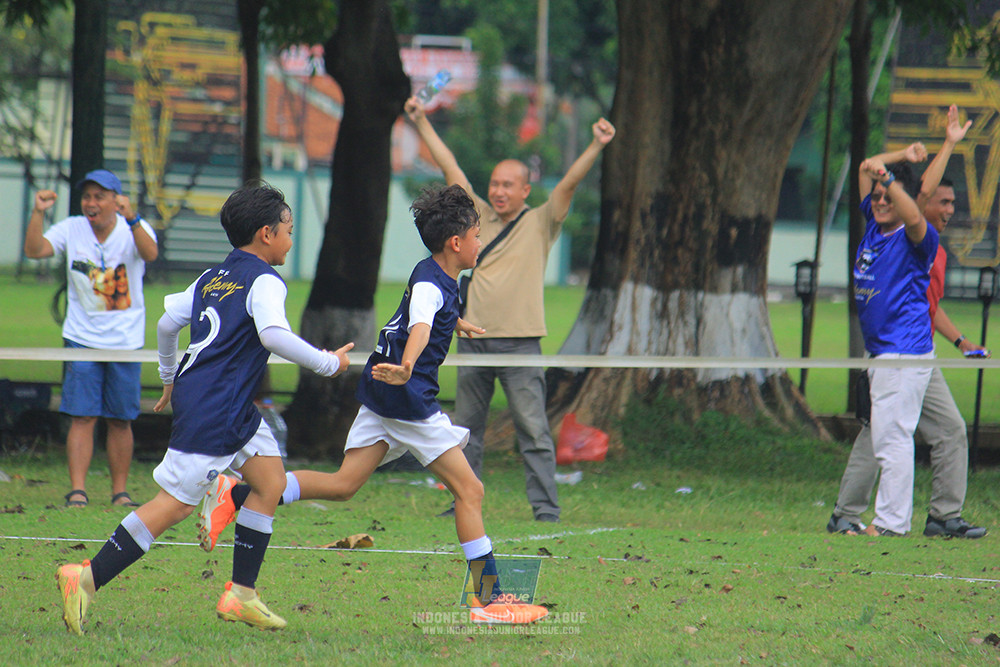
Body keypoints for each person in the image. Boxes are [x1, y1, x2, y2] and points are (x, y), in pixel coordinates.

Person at [196, 185, 549, 625]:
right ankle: (488, 601)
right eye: (478, 235)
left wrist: (453, 322)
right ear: (457, 243)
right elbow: (419, 324)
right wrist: (408, 365)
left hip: (382, 396)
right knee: (470, 490)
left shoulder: (434, 274)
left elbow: (424, 314)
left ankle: (238, 493)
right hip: (406, 399)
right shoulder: (431, 286)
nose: (481, 242)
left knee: (344, 485)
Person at [54, 182, 353, 635]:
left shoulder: (215, 275)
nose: (292, 238)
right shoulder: (267, 281)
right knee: (171, 506)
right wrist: (330, 363)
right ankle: (86, 577)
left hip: (222, 402)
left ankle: (241, 595)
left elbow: (167, 321)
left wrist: (170, 376)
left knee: (269, 481)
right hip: (217, 407)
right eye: (289, 229)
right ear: (267, 234)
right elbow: (272, 336)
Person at [404, 96, 616, 522]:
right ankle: (462, 501)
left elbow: (568, 186)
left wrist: (596, 145)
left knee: (534, 432)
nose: (498, 191)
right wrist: (421, 122)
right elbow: (451, 171)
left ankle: (546, 509)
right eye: (495, 184)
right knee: (465, 434)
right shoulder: (475, 217)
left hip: (521, 347)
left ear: (525, 190)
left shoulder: (541, 222)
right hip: (473, 343)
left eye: (508, 185)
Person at [828, 107, 987, 539]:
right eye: (876, 197)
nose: (880, 201)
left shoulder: (914, 236)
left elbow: (913, 204)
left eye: (887, 197)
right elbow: (866, 168)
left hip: (904, 353)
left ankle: (893, 524)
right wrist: (903, 157)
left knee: (893, 439)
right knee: (883, 437)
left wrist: (897, 179)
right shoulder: (875, 230)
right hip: (886, 354)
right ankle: (858, 515)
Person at [23, 169, 158, 508]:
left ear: (117, 200)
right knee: (81, 415)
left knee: (120, 419)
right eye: (87, 197)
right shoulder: (72, 228)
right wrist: (38, 210)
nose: (91, 203)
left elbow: (151, 254)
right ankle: (78, 491)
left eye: (99, 197)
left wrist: (135, 219)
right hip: (81, 338)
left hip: (126, 341)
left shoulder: (133, 228)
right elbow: (36, 250)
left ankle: (120, 492)